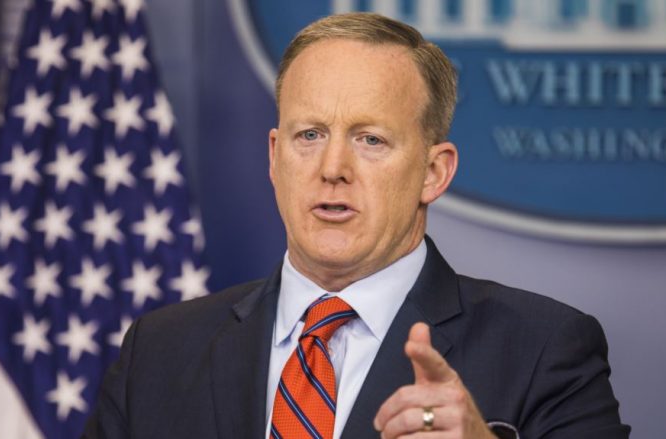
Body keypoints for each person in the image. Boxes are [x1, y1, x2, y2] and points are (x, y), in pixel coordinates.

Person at [84, 13, 629, 439]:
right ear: (274, 157)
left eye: (371, 139)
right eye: (310, 135)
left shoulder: (544, 348)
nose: (333, 169)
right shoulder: (159, 350)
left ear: (434, 173)